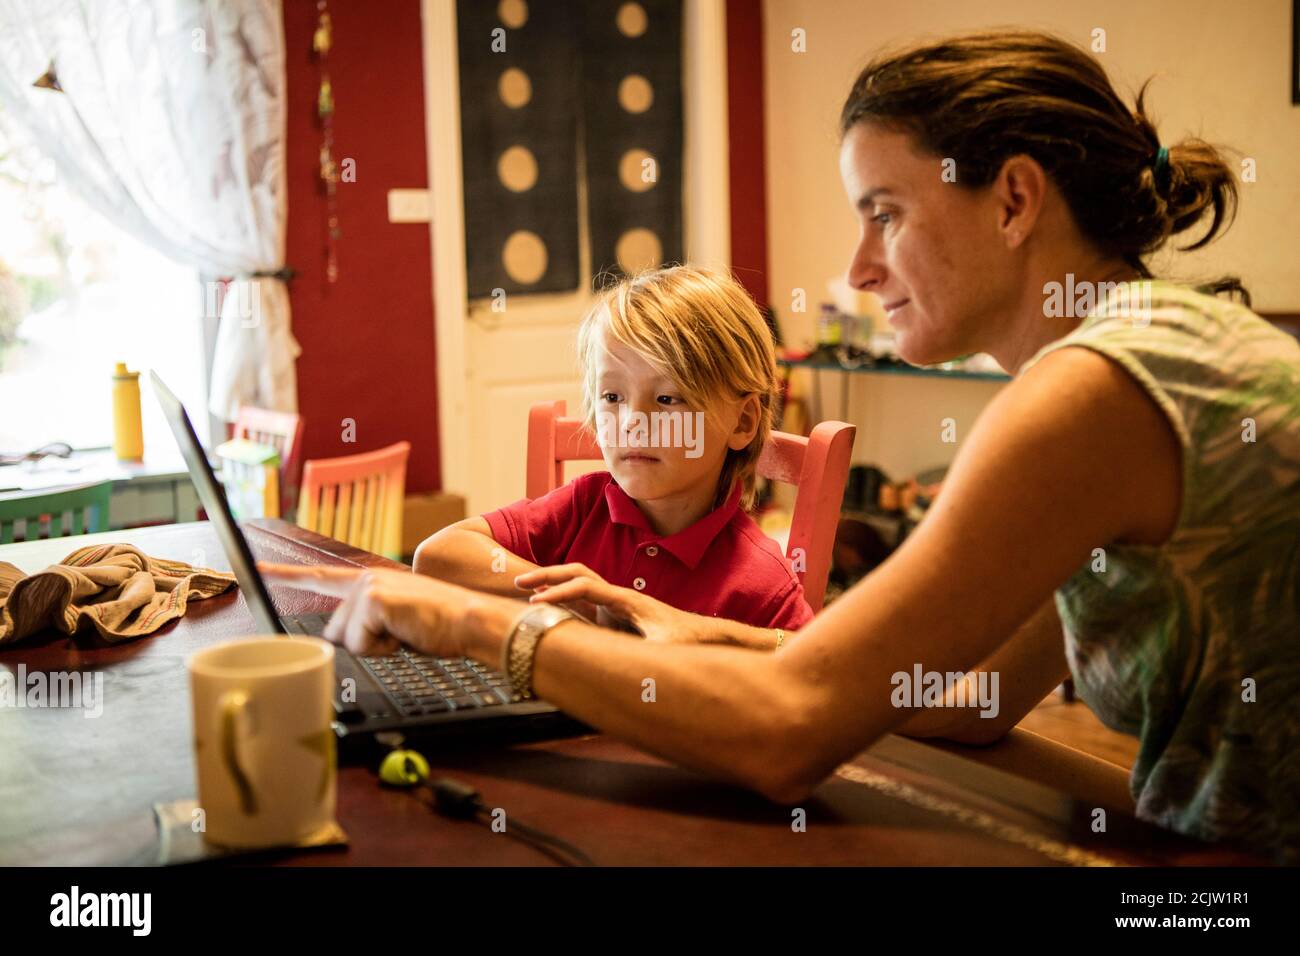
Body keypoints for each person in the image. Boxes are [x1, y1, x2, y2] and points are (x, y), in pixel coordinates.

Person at [263, 29, 1300, 861]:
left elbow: (786, 732)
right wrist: (672, 623)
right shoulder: (1152, 351)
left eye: (883, 213)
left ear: (1016, 199)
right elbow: (964, 698)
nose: (856, 268)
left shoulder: (1089, 394)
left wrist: (472, 626)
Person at [411, 265, 813, 640]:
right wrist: (575, 599)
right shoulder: (583, 507)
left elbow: (810, 670)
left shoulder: (761, 580)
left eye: (668, 398)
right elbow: (436, 556)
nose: (631, 421)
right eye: (611, 396)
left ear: (741, 423)